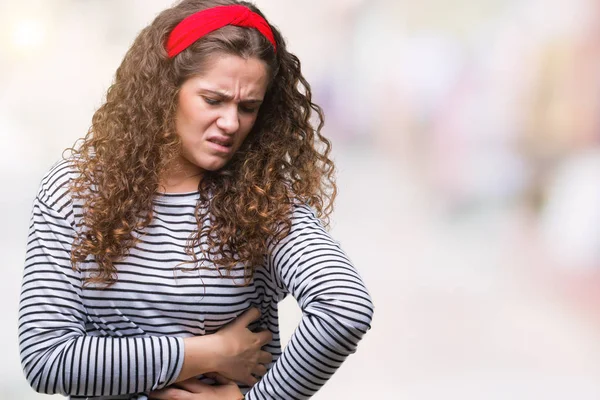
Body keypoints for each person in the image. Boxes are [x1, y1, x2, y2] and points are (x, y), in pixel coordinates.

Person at [18, 1, 374, 399]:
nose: (231, 122)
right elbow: (46, 359)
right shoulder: (75, 190)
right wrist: (210, 353)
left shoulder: (266, 199)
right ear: (165, 91)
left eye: (248, 107)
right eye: (214, 100)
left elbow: (345, 308)